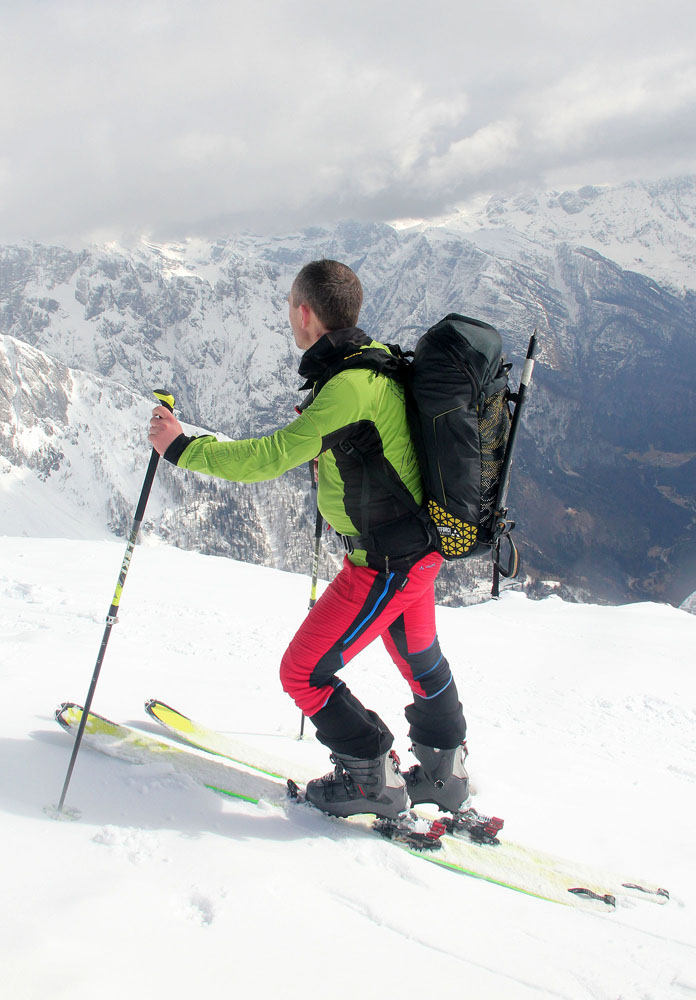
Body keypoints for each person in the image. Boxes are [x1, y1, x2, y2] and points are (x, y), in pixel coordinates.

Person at [149, 259, 468, 821]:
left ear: (304, 313)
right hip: (418, 553)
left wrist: (181, 447)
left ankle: (372, 776)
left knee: (302, 672)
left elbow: (267, 457)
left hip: (385, 564)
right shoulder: (377, 365)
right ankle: (445, 774)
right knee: (421, 660)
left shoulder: (347, 386)